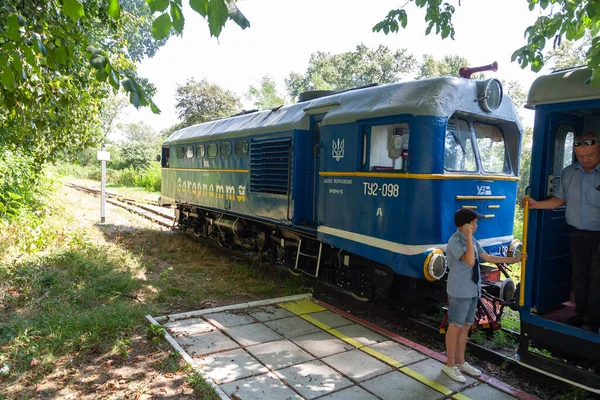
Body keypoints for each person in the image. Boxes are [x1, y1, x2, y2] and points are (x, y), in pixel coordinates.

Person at [523, 132, 600, 333]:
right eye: (581, 156)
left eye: (590, 155)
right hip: (576, 233)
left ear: (598, 150)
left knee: (597, 279)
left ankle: (592, 322)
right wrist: (536, 204)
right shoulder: (569, 173)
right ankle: (581, 315)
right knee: (579, 277)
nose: (585, 159)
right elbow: (559, 199)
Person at [442, 208, 525, 383]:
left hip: (472, 289)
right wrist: (468, 236)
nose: (476, 225)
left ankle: (461, 361)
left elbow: (486, 257)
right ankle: (449, 364)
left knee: (465, 326)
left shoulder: (471, 239)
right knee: (455, 326)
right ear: (465, 225)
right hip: (459, 290)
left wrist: (513, 260)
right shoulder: (455, 241)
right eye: (474, 223)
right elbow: (470, 260)